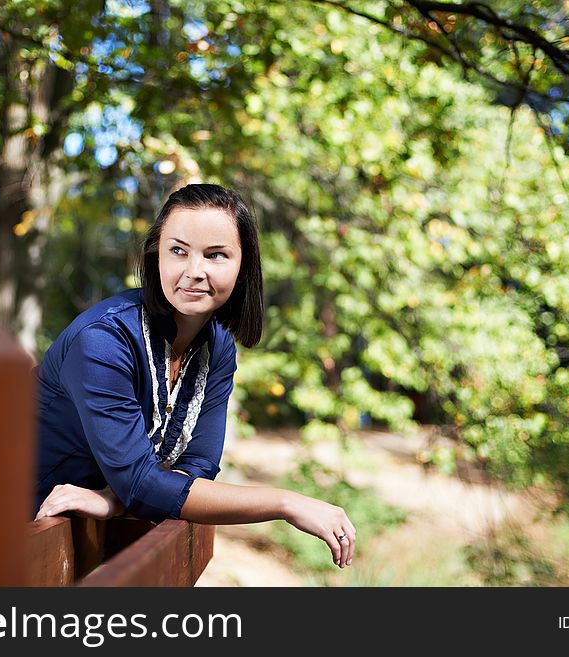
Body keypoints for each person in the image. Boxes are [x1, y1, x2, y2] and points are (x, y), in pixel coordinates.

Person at [34, 183, 356, 569]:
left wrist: (116, 497)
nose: (194, 272)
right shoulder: (102, 342)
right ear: (156, 256)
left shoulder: (218, 347)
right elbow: (143, 482)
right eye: (178, 251)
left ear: (243, 266)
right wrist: (285, 502)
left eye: (216, 254)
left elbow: (199, 465)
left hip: (60, 538)